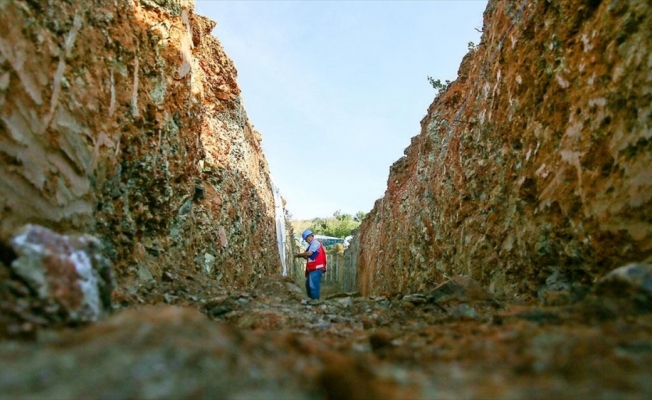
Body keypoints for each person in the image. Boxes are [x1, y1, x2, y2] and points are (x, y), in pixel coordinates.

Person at [294, 229, 327, 300]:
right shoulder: (313, 245)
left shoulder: (315, 243)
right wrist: (302, 255)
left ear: (309, 237)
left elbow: (309, 253)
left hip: (316, 268)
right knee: (308, 285)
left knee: (313, 286)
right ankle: (311, 300)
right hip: (314, 268)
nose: (306, 241)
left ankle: (315, 302)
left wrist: (298, 254)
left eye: (305, 239)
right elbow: (310, 257)